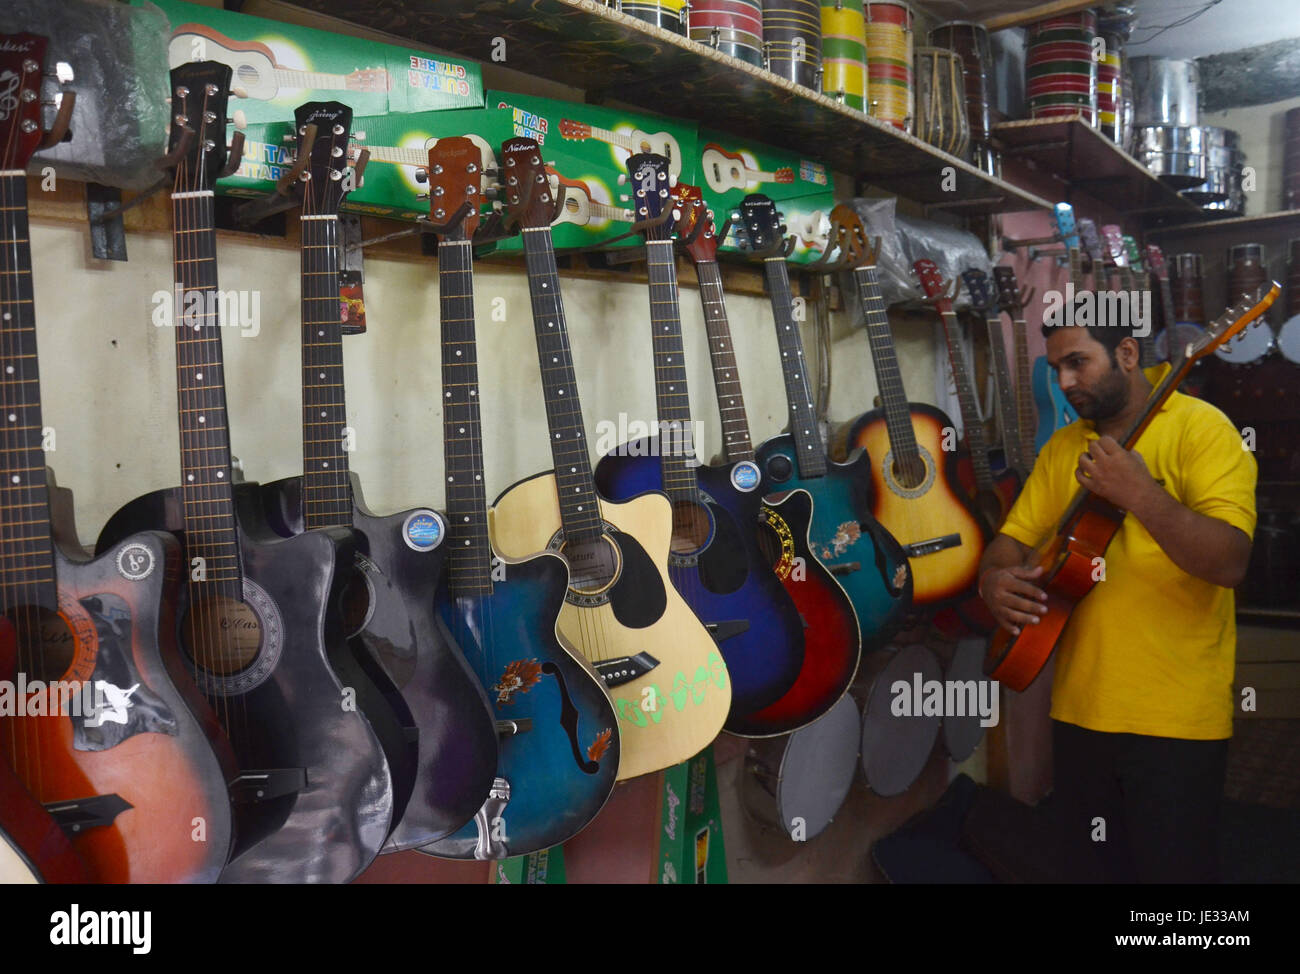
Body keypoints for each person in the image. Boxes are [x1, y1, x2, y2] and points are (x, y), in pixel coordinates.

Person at [978, 309, 1256, 883]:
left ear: (1128, 354)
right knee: (1093, 869)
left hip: (1176, 719)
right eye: (1056, 369)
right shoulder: (1063, 449)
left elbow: (1230, 562)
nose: (1065, 383)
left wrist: (1141, 494)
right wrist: (994, 580)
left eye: (1078, 362)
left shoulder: (1203, 430)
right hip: (1080, 713)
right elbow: (1010, 543)